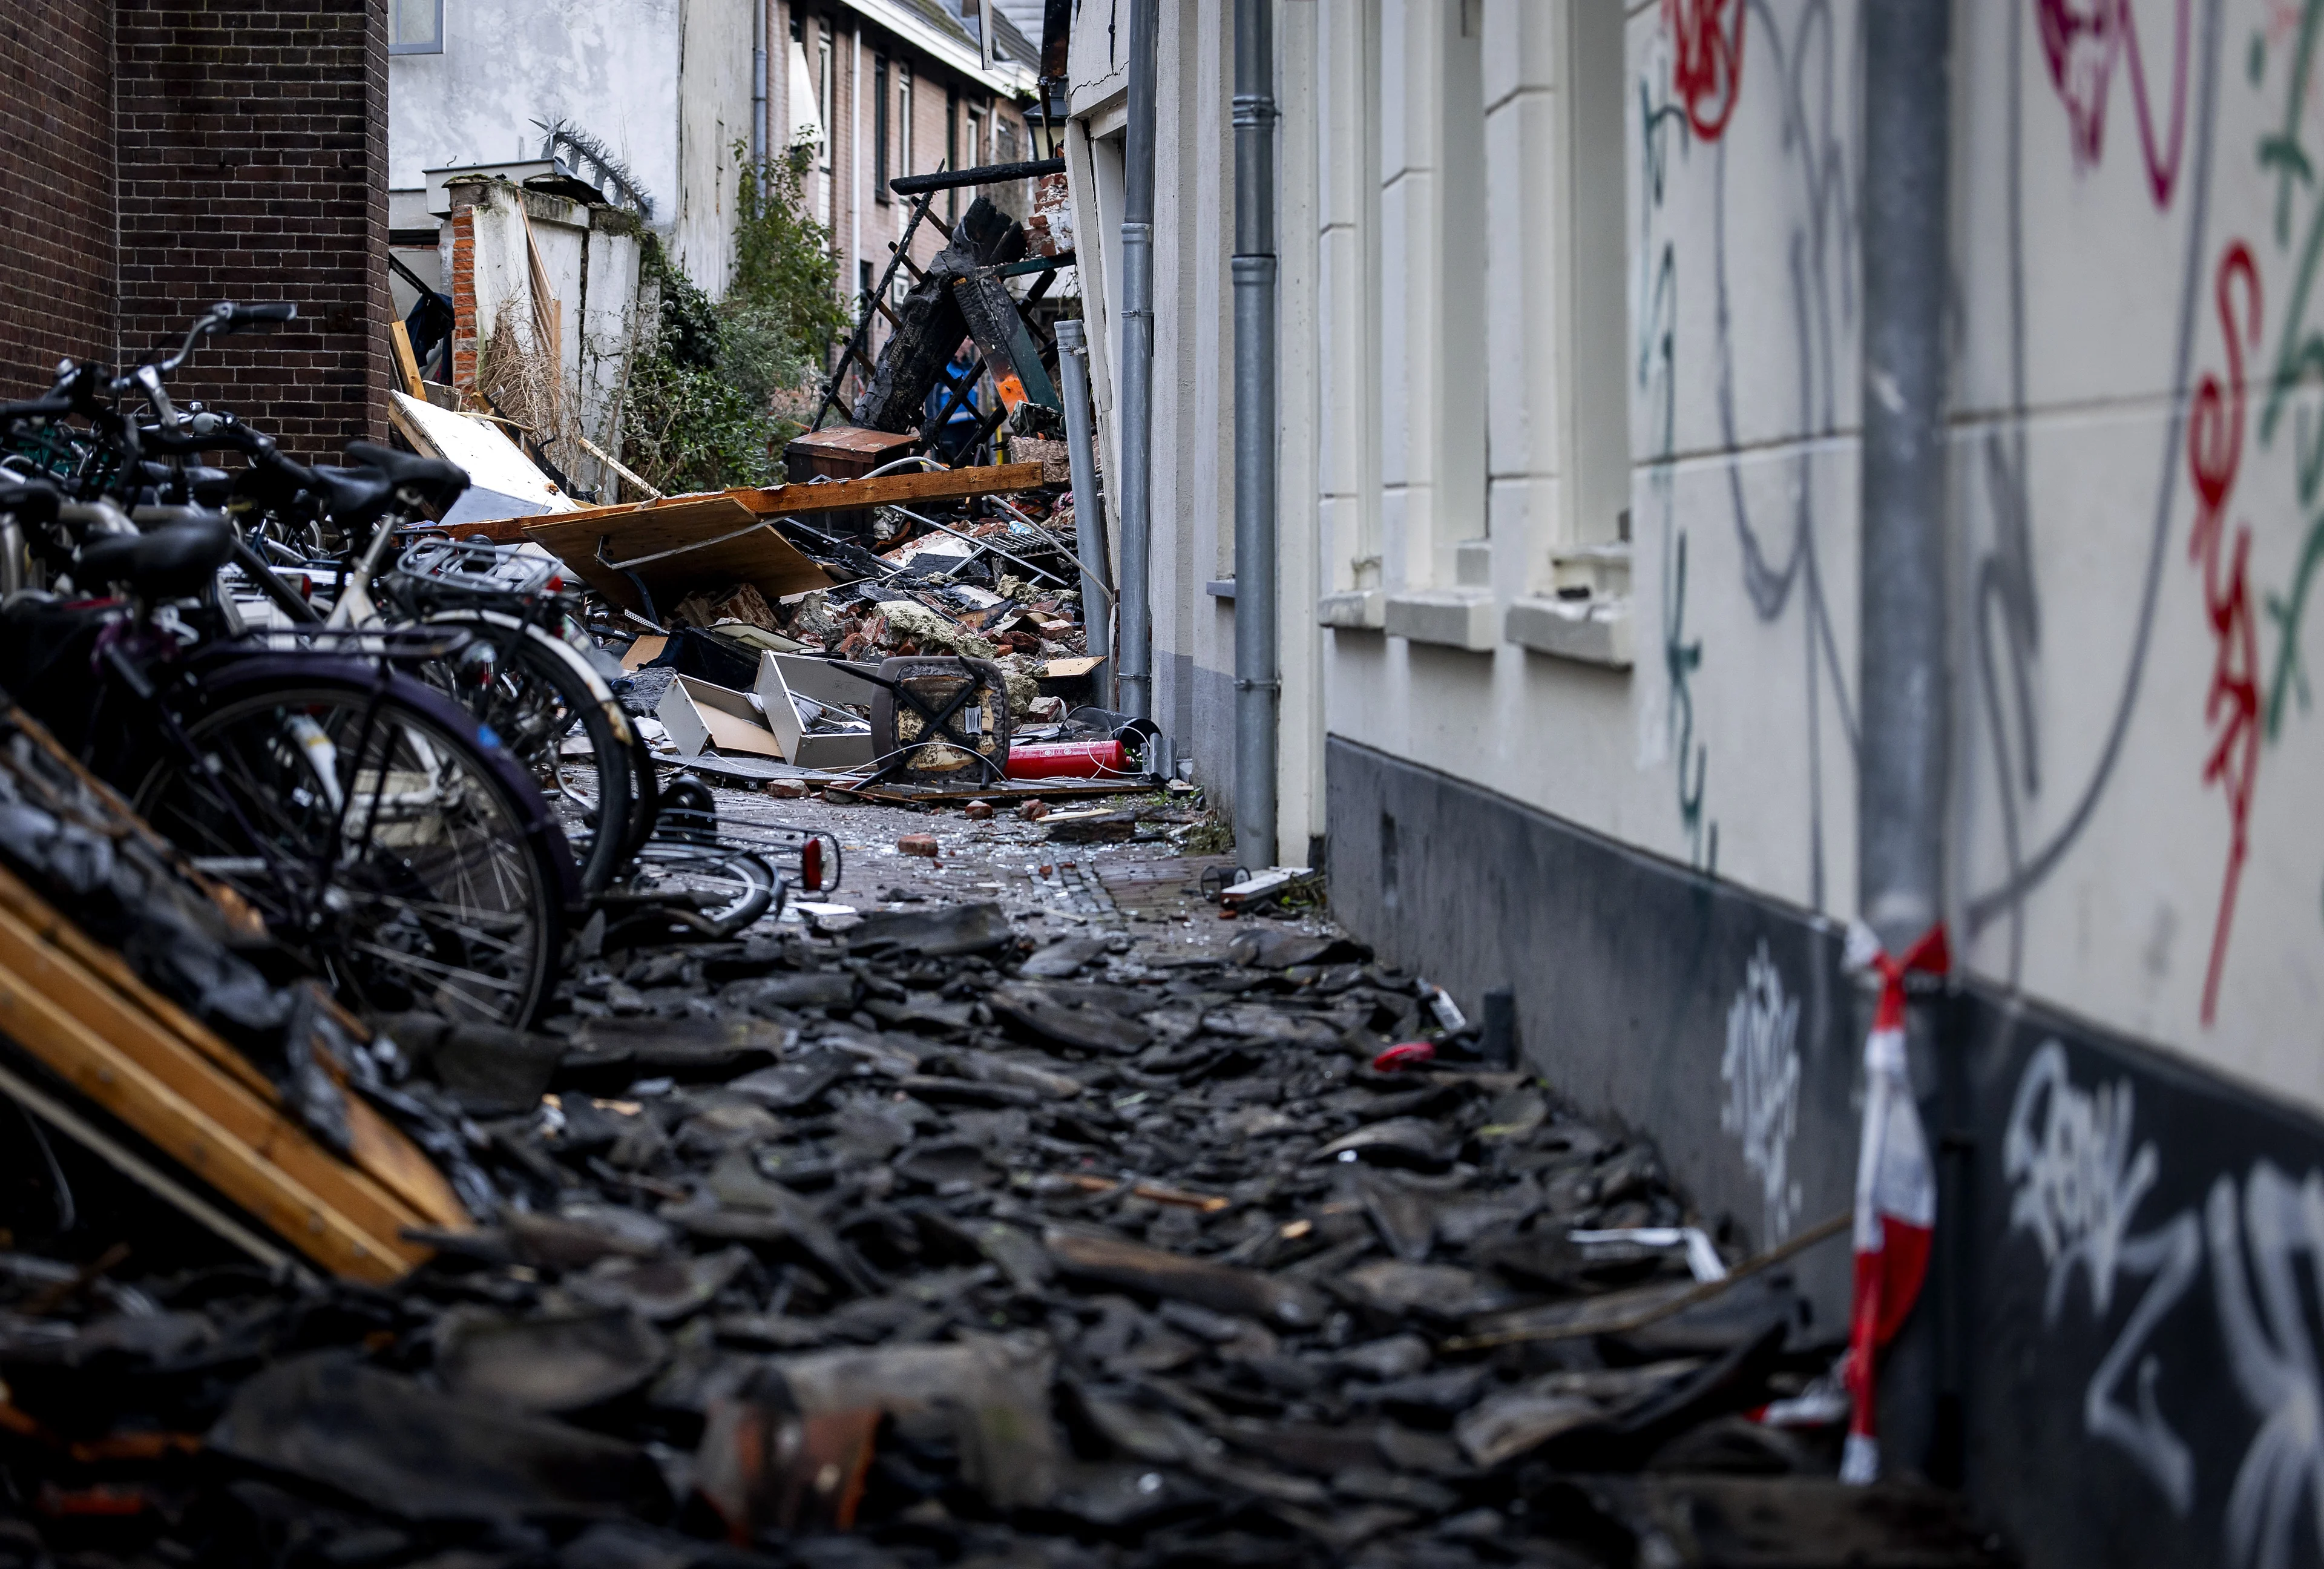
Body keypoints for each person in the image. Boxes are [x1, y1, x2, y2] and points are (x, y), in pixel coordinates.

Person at [923, 340, 983, 465]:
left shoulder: (970, 367)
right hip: (948, 430)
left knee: (972, 469)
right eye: (968, 339)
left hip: (970, 429)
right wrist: (934, 427)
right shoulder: (944, 368)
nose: (972, 343)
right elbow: (932, 399)